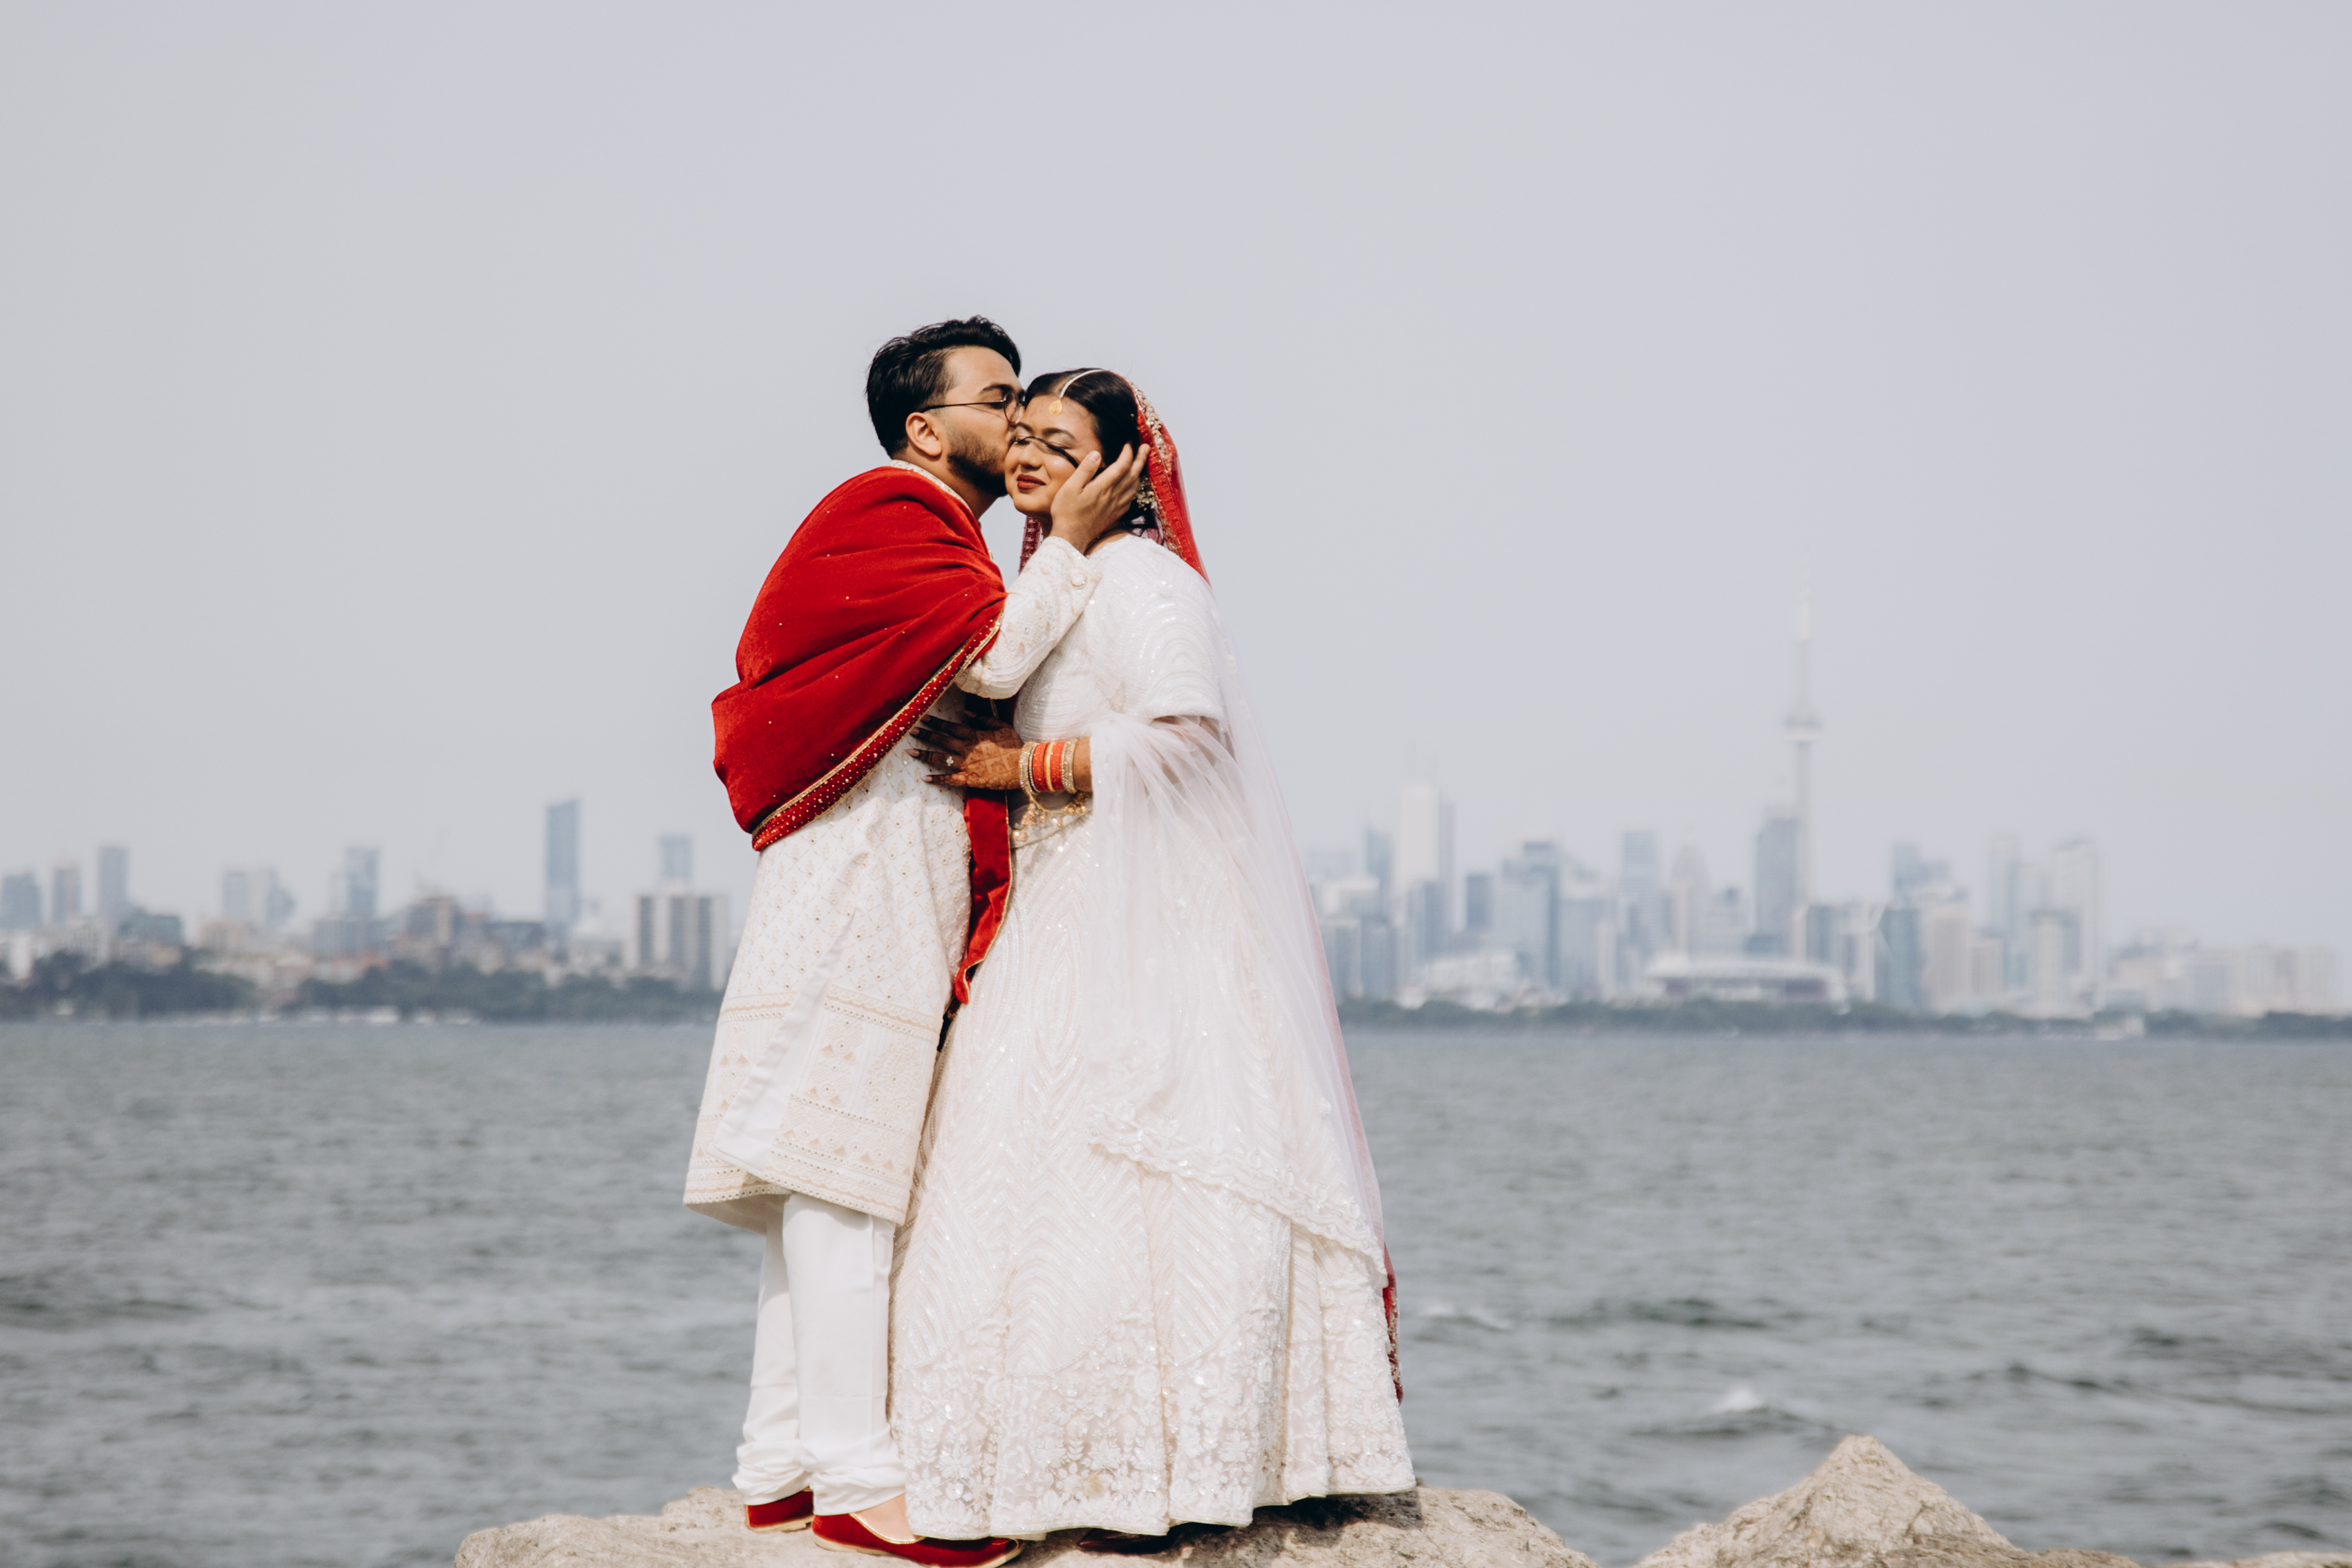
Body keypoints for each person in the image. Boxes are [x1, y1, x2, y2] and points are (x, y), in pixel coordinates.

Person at [897, 371, 1413, 1545]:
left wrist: (1019, 768)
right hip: (1062, 906)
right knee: (1013, 1169)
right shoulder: (1059, 580)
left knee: (1138, 1162)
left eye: (1060, 442)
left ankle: (1187, 1456)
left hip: (1145, 923)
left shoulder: (1145, 579)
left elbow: (1186, 737)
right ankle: (1031, 1455)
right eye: (1021, 436)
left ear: (1126, 467)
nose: (1029, 458)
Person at [685, 321, 1142, 1568]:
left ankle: (778, 1468)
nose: (1025, 419)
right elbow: (991, 657)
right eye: (1001, 399)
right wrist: (1075, 547)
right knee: (844, 1180)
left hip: (860, 883)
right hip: (862, 891)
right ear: (927, 429)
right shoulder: (891, 510)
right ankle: (857, 1481)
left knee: (819, 1177)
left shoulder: (933, 530)